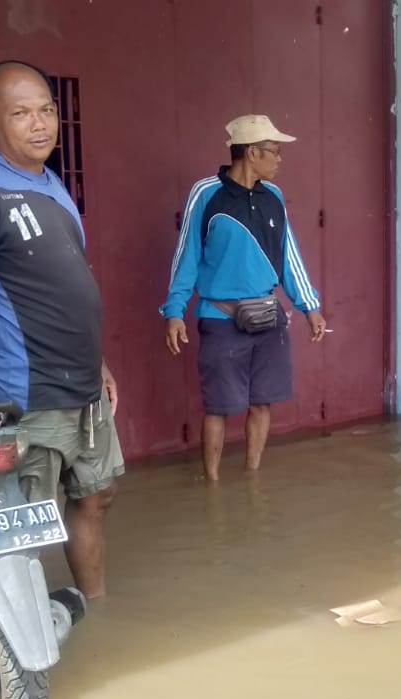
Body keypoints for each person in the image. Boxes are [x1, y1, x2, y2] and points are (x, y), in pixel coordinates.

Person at [0, 60, 122, 600]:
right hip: (26, 394)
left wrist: (98, 361)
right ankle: (22, 656)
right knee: (26, 525)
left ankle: (97, 614)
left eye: (47, 110)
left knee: (95, 498)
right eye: (21, 113)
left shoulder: (53, 184)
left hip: (83, 388)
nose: (40, 124)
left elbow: (65, 284)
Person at [161, 115, 328, 482]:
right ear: (252, 153)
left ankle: (252, 479)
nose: (280, 159)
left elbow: (290, 256)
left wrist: (309, 306)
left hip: (268, 318)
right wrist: (174, 311)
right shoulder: (206, 194)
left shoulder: (275, 197)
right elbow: (185, 255)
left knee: (262, 402)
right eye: (275, 152)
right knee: (218, 408)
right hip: (220, 319)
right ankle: (213, 486)